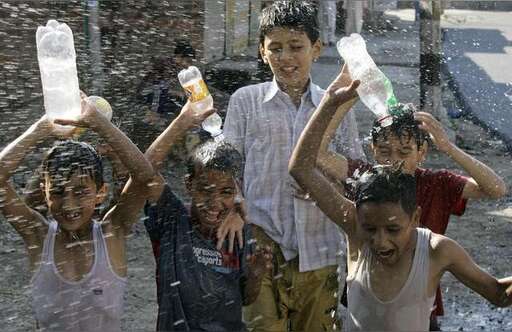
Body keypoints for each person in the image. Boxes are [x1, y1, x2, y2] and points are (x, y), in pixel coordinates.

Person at [288, 80, 512, 330]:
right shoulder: (358, 204)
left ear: (416, 219)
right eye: (371, 228)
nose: (380, 241)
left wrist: (448, 147)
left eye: (393, 229)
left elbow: (497, 189)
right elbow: (305, 164)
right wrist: (332, 102)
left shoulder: (438, 244)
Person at [223, 1, 365, 331]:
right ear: (262, 51)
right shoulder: (245, 101)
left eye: (296, 47)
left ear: (316, 49)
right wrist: (234, 208)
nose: (286, 57)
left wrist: (322, 180)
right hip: (262, 245)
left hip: (320, 247)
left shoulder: (335, 103)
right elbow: (229, 165)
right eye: (276, 48)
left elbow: (355, 171)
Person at [0, 95, 155, 331]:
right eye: (59, 192)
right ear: (45, 192)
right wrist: (41, 129)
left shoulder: (112, 233)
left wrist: (98, 123)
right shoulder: (38, 236)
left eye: (81, 192)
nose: (69, 205)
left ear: (101, 193)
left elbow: (144, 176)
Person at [143, 101, 272, 331]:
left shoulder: (239, 231)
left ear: (237, 193)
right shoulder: (173, 220)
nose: (214, 203)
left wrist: (255, 276)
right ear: (188, 185)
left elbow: (246, 299)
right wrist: (181, 122)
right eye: (205, 189)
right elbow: (144, 171)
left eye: (226, 192)